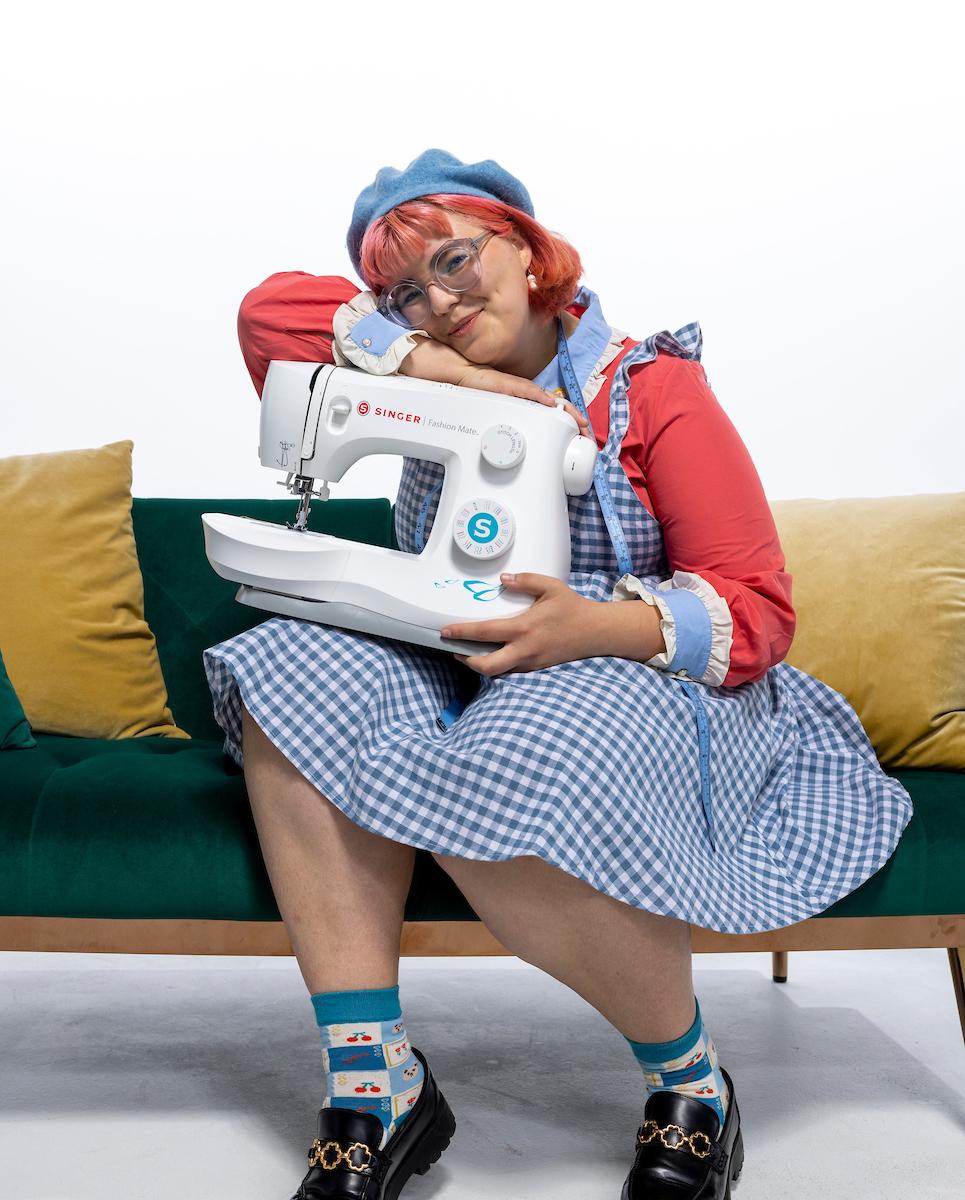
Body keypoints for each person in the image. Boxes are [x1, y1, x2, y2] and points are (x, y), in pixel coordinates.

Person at [205, 150, 913, 1200]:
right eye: (401, 293)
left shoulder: (649, 388)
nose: (434, 302)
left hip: (641, 664)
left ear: (529, 253)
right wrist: (452, 380)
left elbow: (757, 607)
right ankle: (375, 1082)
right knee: (287, 664)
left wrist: (594, 626)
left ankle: (690, 1085)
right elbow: (269, 316)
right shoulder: (415, 368)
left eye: (453, 261)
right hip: (470, 657)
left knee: (528, 745)